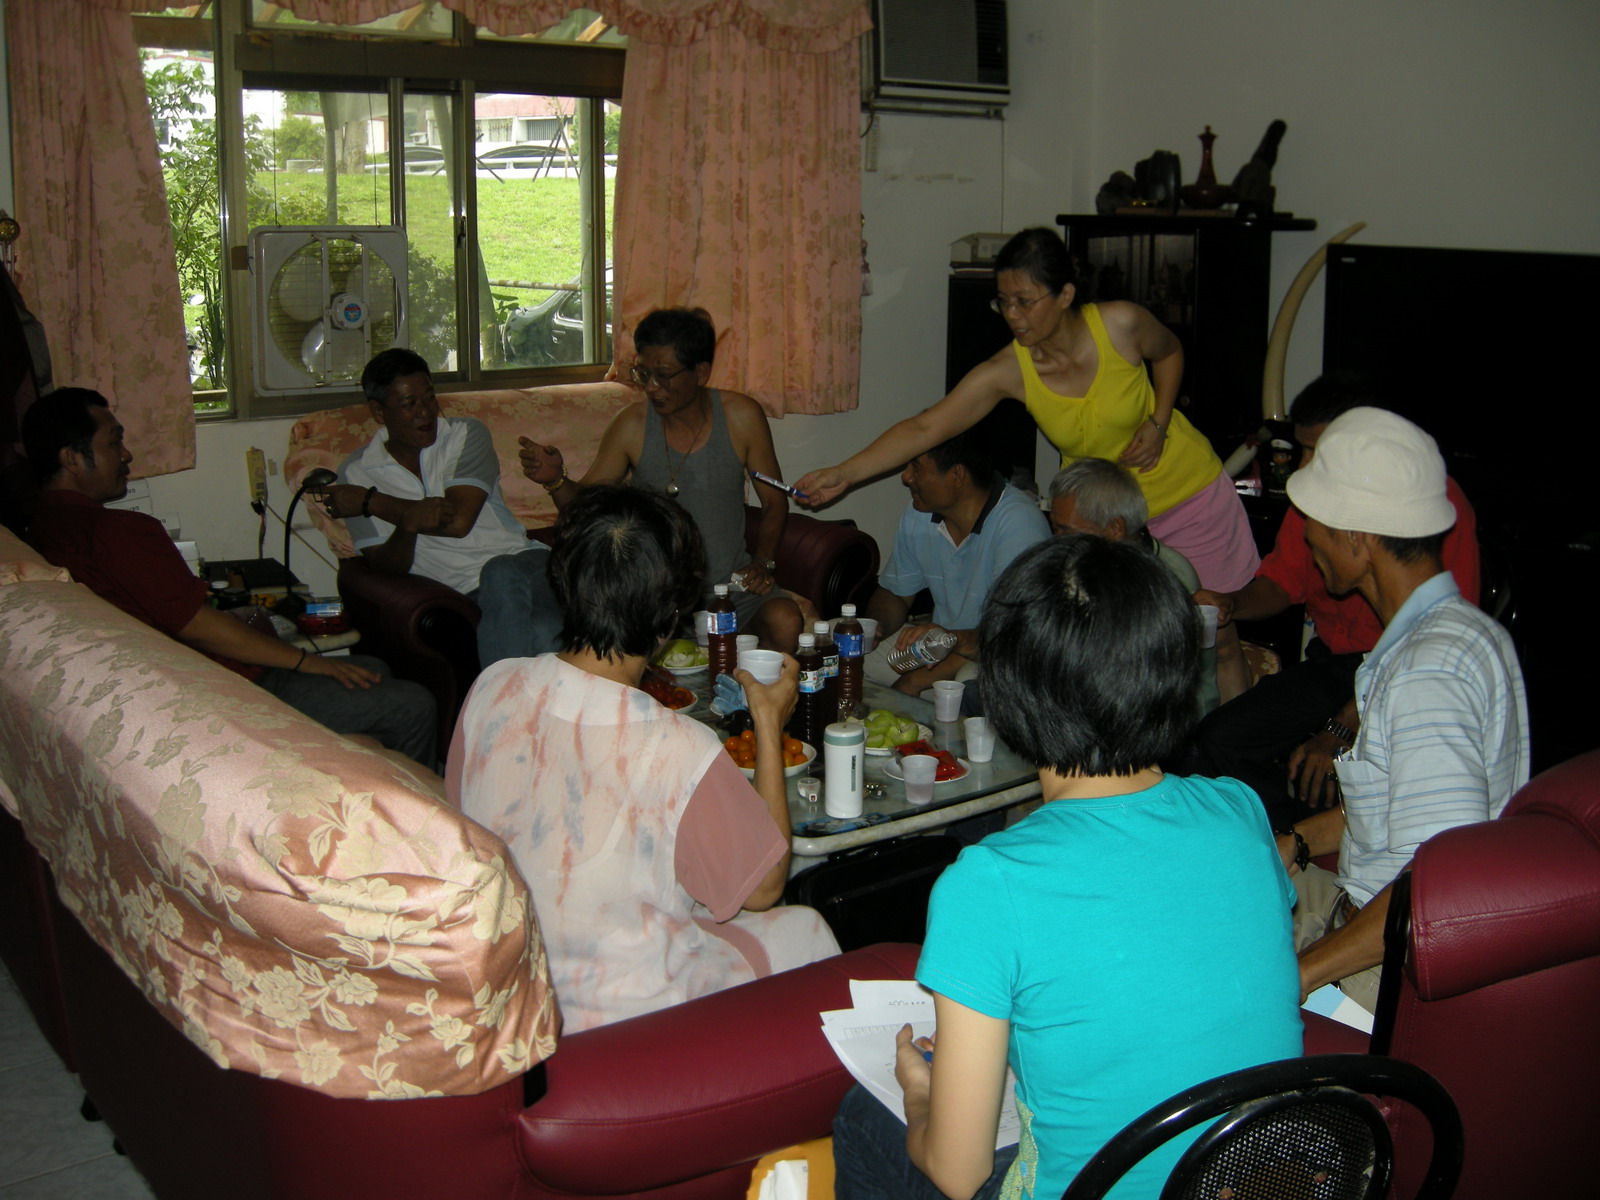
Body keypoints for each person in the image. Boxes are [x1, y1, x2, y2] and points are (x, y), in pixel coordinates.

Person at [832, 535, 1302, 1200]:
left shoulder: (990, 881)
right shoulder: (1240, 810)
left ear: (1008, 691)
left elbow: (959, 1174)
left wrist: (918, 1093)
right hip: (1250, 1181)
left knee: (863, 1116)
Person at [447, 485, 837, 1033]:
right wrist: (769, 725)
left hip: (506, 986)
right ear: (671, 616)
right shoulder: (679, 746)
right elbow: (763, 888)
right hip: (621, 1018)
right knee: (804, 929)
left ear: (564, 584)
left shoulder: (492, 686)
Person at [795, 226, 1259, 595]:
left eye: (1024, 301)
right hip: (1099, 522)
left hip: (1188, 496)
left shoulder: (1120, 324)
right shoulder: (1009, 371)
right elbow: (925, 427)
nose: (1012, 315)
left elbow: (1171, 351)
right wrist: (845, 472)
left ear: (1065, 295)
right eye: (1003, 302)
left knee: (1212, 633)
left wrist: (1159, 421)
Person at [22, 388, 437, 767]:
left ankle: (359, 772)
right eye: (114, 442)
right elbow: (199, 627)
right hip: (220, 692)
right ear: (72, 459)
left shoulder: (39, 527)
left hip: (164, 686)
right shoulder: (116, 532)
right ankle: (412, 809)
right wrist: (309, 662)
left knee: (371, 667)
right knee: (412, 704)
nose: (126, 455)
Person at [1277, 407, 1527, 1013]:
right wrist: (1298, 840)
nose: (1306, 537)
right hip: (1360, 913)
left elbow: (1434, 886)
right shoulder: (1462, 632)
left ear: (1356, 538)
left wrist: (1297, 977)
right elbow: (1402, 813)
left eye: (1316, 522)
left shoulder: (1425, 675)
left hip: (1380, 975)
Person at [1189, 373, 1480, 827]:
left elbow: (1425, 643)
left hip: (1399, 665)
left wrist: (1342, 726)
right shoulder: (1316, 495)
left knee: (1337, 771)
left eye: (1317, 450)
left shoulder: (1429, 505)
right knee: (1219, 738)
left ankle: (1312, 835)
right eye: (1301, 449)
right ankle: (1278, 841)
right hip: (1337, 666)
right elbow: (1283, 581)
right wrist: (1233, 603)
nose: (1306, 464)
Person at [518, 307, 803, 651]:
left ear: (701, 372)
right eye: (644, 374)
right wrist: (555, 480)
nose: (652, 387)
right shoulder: (632, 424)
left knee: (786, 619)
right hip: (655, 593)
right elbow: (586, 508)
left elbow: (774, 501)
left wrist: (763, 561)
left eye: (664, 375)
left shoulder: (741, 416)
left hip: (731, 590)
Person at [315, 348, 560, 669]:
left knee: (499, 571)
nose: (426, 412)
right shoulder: (357, 471)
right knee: (543, 633)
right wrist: (407, 525)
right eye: (409, 404)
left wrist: (370, 502)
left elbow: (458, 522)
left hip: (527, 565)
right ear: (378, 411)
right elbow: (384, 564)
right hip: (461, 592)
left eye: (430, 398)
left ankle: (497, 699)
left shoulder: (465, 434)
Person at [865, 431, 1049, 695]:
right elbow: (896, 593)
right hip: (938, 645)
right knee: (837, 644)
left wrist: (912, 681)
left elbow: (1012, 637)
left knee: (969, 681)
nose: (906, 477)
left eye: (916, 467)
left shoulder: (1019, 524)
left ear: (957, 475)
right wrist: (873, 628)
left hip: (992, 654)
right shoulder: (920, 512)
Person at [1047, 457, 1218, 717]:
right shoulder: (1081, 562)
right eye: (1054, 528)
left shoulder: (1168, 579)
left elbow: (1152, 683)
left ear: (1115, 528)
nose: (1055, 540)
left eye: (1065, 530)